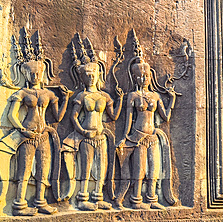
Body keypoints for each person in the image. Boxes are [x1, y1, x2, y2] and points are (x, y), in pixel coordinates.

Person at [0, 31, 70, 216]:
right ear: (24, 72)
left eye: (38, 72)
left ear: (43, 72)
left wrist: (66, 98)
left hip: (44, 135)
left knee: (43, 171)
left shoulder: (49, 94)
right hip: (26, 136)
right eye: (31, 72)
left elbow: (58, 117)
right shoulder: (22, 93)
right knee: (25, 170)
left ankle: (40, 201)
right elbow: (13, 115)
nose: (35, 75)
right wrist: (22, 130)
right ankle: (19, 204)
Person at [62, 36, 123, 211]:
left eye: (93, 75)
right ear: (82, 77)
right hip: (86, 136)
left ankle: (98, 197)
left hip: (101, 136)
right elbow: (73, 117)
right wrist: (82, 131)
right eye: (87, 75)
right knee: (86, 167)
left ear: (98, 76)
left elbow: (113, 116)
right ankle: (82, 199)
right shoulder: (81, 96)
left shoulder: (105, 96)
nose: (90, 77)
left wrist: (119, 100)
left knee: (101, 167)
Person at [114, 56, 176, 210]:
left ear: (151, 76)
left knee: (153, 170)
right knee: (140, 171)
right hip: (138, 137)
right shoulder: (133, 96)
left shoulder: (156, 96)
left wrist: (172, 99)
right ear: (135, 78)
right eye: (140, 76)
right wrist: (124, 138)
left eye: (146, 76)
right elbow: (128, 119)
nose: (144, 79)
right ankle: (136, 200)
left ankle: (152, 199)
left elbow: (166, 117)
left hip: (153, 137)